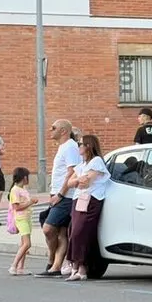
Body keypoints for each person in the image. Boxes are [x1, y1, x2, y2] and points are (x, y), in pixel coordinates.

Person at [38, 120, 82, 277]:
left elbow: (72, 172)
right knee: (61, 233)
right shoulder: (64, 147)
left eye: (53, 128)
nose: (50, 130)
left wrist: (61, 194)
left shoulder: (70, 147)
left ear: (63, 131)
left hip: (65, 197)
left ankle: (51, 261)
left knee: (48, 228)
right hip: (58, 195)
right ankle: (55, 266)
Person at [64, 134, 111, 281]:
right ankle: (76, 266)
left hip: (91, 199)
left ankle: (82, 266)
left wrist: (78, 180)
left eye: (81, 144)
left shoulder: (96, 161)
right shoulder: (82, 165)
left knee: (82, 232)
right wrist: (78, 179)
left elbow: (87, 182)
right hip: (79, 199)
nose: (79, 147)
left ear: (88, 146)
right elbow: (70, 183)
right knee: (73, 231)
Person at [8, 167, 38, 276]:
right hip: (21, 219)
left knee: (23, 243)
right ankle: (14, 265)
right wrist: (30, 202)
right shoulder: (15, 190)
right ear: (24, 178)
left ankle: (21, 267)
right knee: (27, 244)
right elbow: (17, 207)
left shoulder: (22, 189)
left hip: (27, 218)